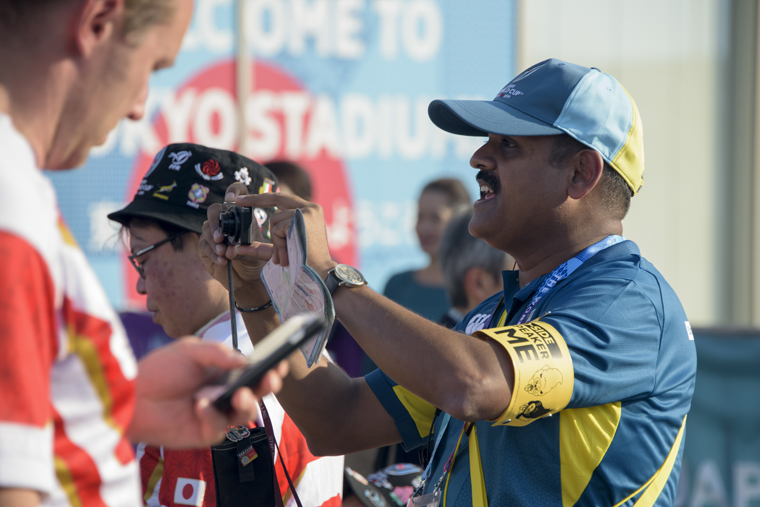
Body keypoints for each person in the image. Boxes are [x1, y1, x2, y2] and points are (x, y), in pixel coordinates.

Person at [200, 58, 697, 506]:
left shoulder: (630, 301)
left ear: (581, 173)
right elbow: (335, 419)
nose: (478, 158)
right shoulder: (493, 316)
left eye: (507, 144)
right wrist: (255, 296)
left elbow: (472, 384)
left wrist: (331, 277)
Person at [0, 2, 284, 506]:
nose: (138, 106)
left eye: (145, 253)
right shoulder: (11, 205)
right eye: (150, 67)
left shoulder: (18, 194)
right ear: (98, 22)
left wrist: (124, 402)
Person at [108, 143, 344, 507]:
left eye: (142, 256)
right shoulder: (309, 357)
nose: (140, 283)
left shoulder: (207, 384)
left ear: (206, 245)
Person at [383, 178, 472, 324]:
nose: (424, 228)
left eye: (435, 218)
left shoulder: (477, 288)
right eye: (420, 217)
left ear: (460, 221)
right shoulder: (397, 285)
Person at [437, 208, 512, 328]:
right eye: (519, 275)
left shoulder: (434, 341)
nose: (532, 286)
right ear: (479, 283)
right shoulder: (472, 343)